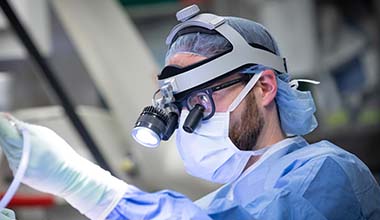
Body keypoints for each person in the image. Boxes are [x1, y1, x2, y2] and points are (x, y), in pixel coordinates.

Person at [0, 5, 379, 220]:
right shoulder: (219, 201)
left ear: (264, 87)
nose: (188, 121)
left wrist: (83, 184)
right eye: (180, 105)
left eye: (201, 100)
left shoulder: (329, 173)